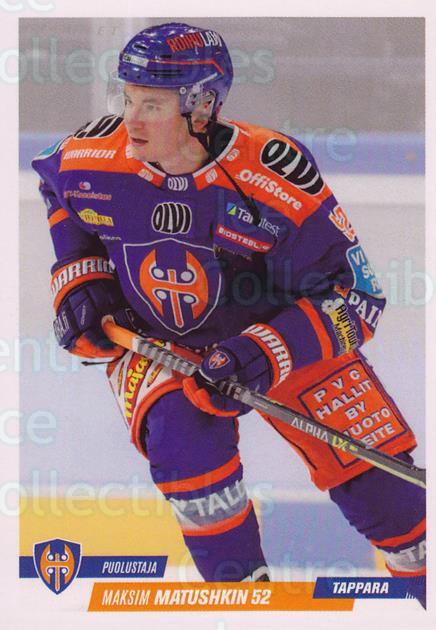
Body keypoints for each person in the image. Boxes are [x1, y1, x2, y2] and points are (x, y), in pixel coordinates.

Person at [32, 22, 425, 598]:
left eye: (152, 105)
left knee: (392, 505)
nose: (131, 120)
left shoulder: (271, 175)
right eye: (128, 99)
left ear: (202, 107)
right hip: (163, 340)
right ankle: (240, 603)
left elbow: (357, 302)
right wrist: (79, 274)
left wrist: (266, 352)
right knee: (186, 458)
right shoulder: (90, 157)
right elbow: (56, 190)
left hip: (282, 333)